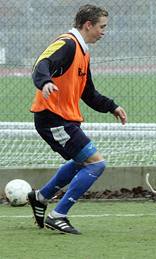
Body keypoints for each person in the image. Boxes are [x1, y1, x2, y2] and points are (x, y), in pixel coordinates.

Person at [27, 4, 127, 235]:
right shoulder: (67, 43)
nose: (104, 32)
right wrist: (44, 82)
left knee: (83, 162)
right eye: (102, 27)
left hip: (64, 119)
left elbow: (88, 93)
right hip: (52, 118)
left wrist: (112, 107)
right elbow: (41, 64)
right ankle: (58, 215)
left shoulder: (83, 51)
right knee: (96, 164)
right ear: (88, 24)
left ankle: (41, 197)